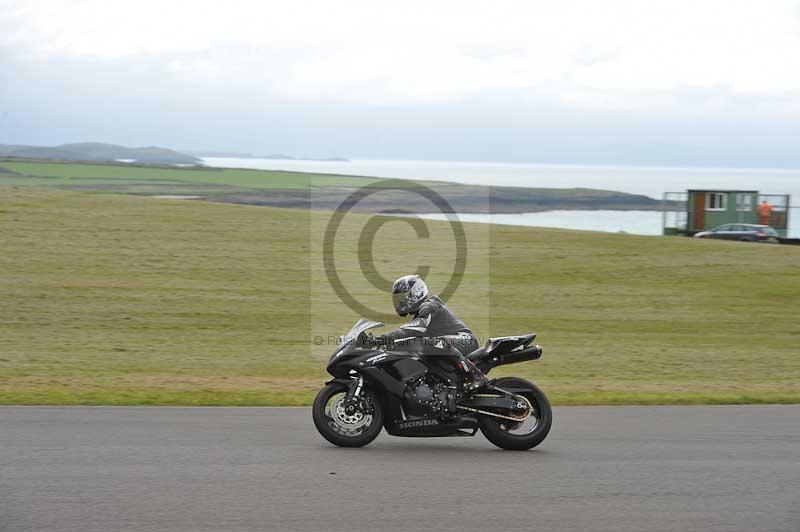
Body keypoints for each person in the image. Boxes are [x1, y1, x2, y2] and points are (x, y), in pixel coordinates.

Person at [368, 274, 488, 391]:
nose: (399, 302)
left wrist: (381, 339)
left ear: (414, 293)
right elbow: (407, 336)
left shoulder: (430, 305)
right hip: (449, 346)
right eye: (397, 299)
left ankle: (475, 374)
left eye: (402, 298)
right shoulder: (420, 315)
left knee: (434, 343)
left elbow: (412, 330)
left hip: (466, 340)